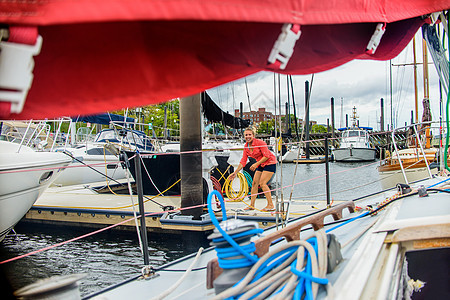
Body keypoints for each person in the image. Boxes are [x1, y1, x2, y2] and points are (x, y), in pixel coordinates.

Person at [229, 127, 277, 211]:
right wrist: (235, 172)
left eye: (249, 135)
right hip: (260, 164)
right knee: (254, 184)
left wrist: (256, 164)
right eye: (246, 135)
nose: (248, 136)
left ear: (253, 135)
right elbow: (243, 161)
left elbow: (266, 156)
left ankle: (270, 205)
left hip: (270, 163)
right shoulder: (246, 146)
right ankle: (251, 205)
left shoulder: (260, 143)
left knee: (263, 183)